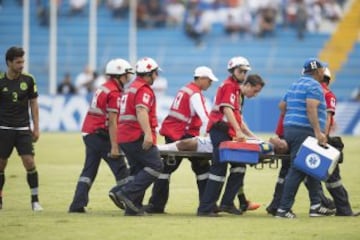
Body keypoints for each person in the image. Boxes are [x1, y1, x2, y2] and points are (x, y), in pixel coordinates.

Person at [145, 66, 218, 214]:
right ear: (201, 78)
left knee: (166, 170)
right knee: (202, 169)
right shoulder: (195, 94)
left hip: (174, 133)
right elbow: (205, 118)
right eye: (209, 80)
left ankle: (156, 205)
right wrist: (209, 138)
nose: (211, 83)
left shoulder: (185, 89)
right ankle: (207, 206)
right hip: (183, 136)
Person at [68, 58, 133, 213]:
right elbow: (112, 121)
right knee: (120, 167)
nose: (129, 78)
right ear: (118, 76)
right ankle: (125, 198)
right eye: (126, 75)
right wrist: (115, 146)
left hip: (89, 132)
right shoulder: (114, 92)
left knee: (89, 170)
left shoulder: (104, 87)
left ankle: (77, 205)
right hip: (98, 134)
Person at [275, 58, 335, 218]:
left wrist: (292, 117)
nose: (324, 71)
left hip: (291, 129)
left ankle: (316, 205)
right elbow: (311, 107)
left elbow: (282, 106)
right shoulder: (314, 86)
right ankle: (283, 209)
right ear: (317, 72)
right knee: (298, 169)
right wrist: (318, 132)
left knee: (311, 166)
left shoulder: (295, 84)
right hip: (305, 131)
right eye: (322, 69)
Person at [108, 57, 164, 216]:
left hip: (124, 136)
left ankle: (132, 208)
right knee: (156, 165)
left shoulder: (130, 88)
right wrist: (147, 134)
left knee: (138, 170)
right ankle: (124, 192)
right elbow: (141, 110)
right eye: (156, 73)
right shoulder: (143, 89)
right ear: (149, 73)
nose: (157, 76)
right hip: (136, 135)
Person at [197, 56, 252, 217]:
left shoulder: (234, 87)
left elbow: (235, 115)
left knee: (239, 165)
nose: (243, 74)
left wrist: (241, 132)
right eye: (240, 71)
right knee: (218, 169)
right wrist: (239, 131)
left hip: (225, 132)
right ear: (232, 71)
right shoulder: (229, 86)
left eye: (245, 71)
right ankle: (205, 208)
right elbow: (227, 110)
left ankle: (227, 203)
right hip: (220, 130)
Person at [0, 46, 42, 211]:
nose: (21, 64)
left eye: (22, 61)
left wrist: (36, 127)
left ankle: (35, 200)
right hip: (3, 128)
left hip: (23, 128)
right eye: (18, 62)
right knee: (1, 165)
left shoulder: (29, 80)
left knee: (29, 162)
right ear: (9, 62)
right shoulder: (1, 81)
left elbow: (34, 104)